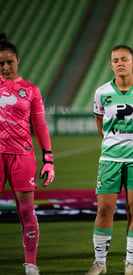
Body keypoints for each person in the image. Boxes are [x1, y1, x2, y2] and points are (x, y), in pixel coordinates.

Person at [85, 45, 133, 275]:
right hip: (110, 158)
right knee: (104, 208)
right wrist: (115, 143)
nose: (120, 63)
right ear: (111, 65)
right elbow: (101, 125)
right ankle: (100, 262)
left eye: (124, 59)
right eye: (116, 60)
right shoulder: (101, 92)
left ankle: (131, 263)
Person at [0, 33, 55, 275]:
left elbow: (40, 126)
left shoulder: (30, 90)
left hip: (22, 156)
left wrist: (49, 159)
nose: (5, 67)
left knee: (26, 211)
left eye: (9, 62)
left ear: (18, 60)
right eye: (0, 63)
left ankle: (30, 264)